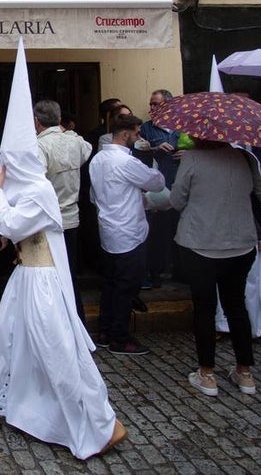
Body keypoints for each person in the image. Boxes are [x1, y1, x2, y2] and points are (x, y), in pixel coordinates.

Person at [0, 40, 127, 460]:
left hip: (44, 279)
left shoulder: (40, 191)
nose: (2, 167)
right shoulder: (18, 186)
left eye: (8, 159)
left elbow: (9, 222)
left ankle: (98, 424)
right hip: (25, 277)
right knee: (0, 342)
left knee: (57, 351)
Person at [170, 137, 261, 396]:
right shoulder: (245, 158)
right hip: (240, 242)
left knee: (204, 308)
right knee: (236, 306)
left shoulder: (191, 159)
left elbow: (177, 200)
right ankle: (245, 373)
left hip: (200, 242)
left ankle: (207, 374)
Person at [89, 113, 166, 355]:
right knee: (126, 287)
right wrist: (149, 158)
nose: (138, 138)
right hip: (128, 230)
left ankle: (104, 330)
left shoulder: (97, 160)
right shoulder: (126, 162)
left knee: (110, 285)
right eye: (137, 133)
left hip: (108, 228)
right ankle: (119, 338)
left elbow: (93, 195)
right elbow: (157, 183)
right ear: (125, 134)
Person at [34, 99, 92, 324]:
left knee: (49, 278)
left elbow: (37, 182)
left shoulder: (39, 146)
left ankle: (59, 326)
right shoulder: (75, 142)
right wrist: (69, 133)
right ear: (59, 120)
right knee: (68, 276)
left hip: (49, 221)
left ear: (36, 121)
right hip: (71, 218)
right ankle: (77, 322)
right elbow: (87, 150)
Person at [140, 89, 181, 290]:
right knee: (155, 234)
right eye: (151, 104)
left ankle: (180, 271)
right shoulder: (147, 128)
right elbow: (138, 152)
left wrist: (187, 154)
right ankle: (154, 273)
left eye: (156, 104)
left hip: (180, 187)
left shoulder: (181, 128)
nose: (152, 108)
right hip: (158, 190)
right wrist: (155, 149)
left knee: (179, 231)